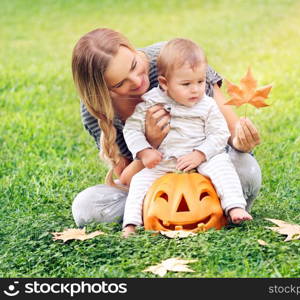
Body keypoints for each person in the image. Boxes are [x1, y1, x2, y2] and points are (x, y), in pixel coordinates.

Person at [71, 28, 262, 228]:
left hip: (206, 167)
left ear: (132, 49)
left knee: (245, 169)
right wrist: (151, 142)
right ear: (103, 90)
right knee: (86, 206)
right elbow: (127, 178)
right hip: (157, 175)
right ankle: (151, 215)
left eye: (134, 65)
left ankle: (224, 204)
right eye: (120, 83)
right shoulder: (96, 109)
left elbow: (229, 132)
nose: (137, 81)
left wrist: (240, 142)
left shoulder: (175, 58)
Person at [122, 38, 252, 237]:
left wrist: (200, 154)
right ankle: (131, 223)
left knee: (222, 166)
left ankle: (234, 207)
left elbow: (220, 133)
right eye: (186, 84)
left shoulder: (207, 104)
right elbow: (131, 130)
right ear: (165, 83)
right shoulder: (150, 102)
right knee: (140, 181)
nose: (195, 89)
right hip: (164, 160)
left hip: (201, 157)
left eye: (200, 82)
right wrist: (144, 151)